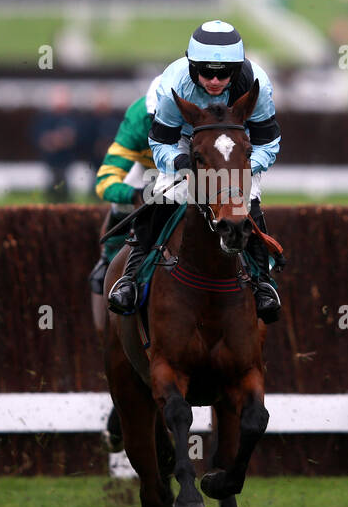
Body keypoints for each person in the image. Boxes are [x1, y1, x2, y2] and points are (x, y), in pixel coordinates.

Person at [107, 20, 283, 322]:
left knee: (248, 197)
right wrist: (179, 163)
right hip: (186, 141)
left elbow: (270, 142)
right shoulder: (174, 82)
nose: (215, 80)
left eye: (224, 73)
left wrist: (238, 169)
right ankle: (132, 278)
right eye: (206, 71)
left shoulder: (258, 84)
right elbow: (160, 141)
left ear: (237, 69)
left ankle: (262, 283)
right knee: (160, 194)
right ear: (191, 66)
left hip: (233, 146)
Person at [88, 82, 159, 296]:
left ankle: (258, 263)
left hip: (189, 172)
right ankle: (108, 258)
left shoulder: (200, 109)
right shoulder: (138, 118)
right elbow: (106, 181)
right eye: (156, 120)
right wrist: (133, 194)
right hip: (149, 171)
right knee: (121, 201)